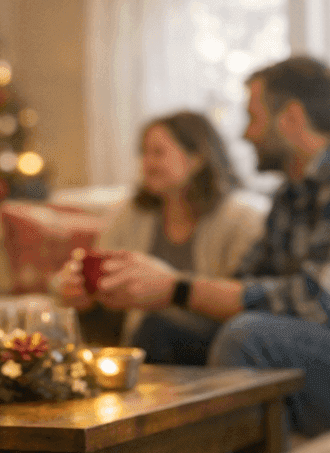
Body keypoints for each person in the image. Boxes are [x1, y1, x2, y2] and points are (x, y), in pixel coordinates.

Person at [91, 56, 330, 445]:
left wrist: (178, 288)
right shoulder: (292, 193)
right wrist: (156, 289)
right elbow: (243, 284)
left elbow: (320, 306)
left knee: (250, 338)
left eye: (253, 118)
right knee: (163, 329)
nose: (244, 134)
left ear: (290, 118)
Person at [51, 111, 264, 364]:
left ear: (196, 158)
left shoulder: (244, 217)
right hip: (142, 337)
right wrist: (75, 289)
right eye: (143, 153)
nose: (147, 163)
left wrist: (167, 286)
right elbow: (98, 270)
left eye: (158, 153)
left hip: (212, 335)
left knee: (157, 324)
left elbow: (248, 300)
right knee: (81, 319)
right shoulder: (131, 213)